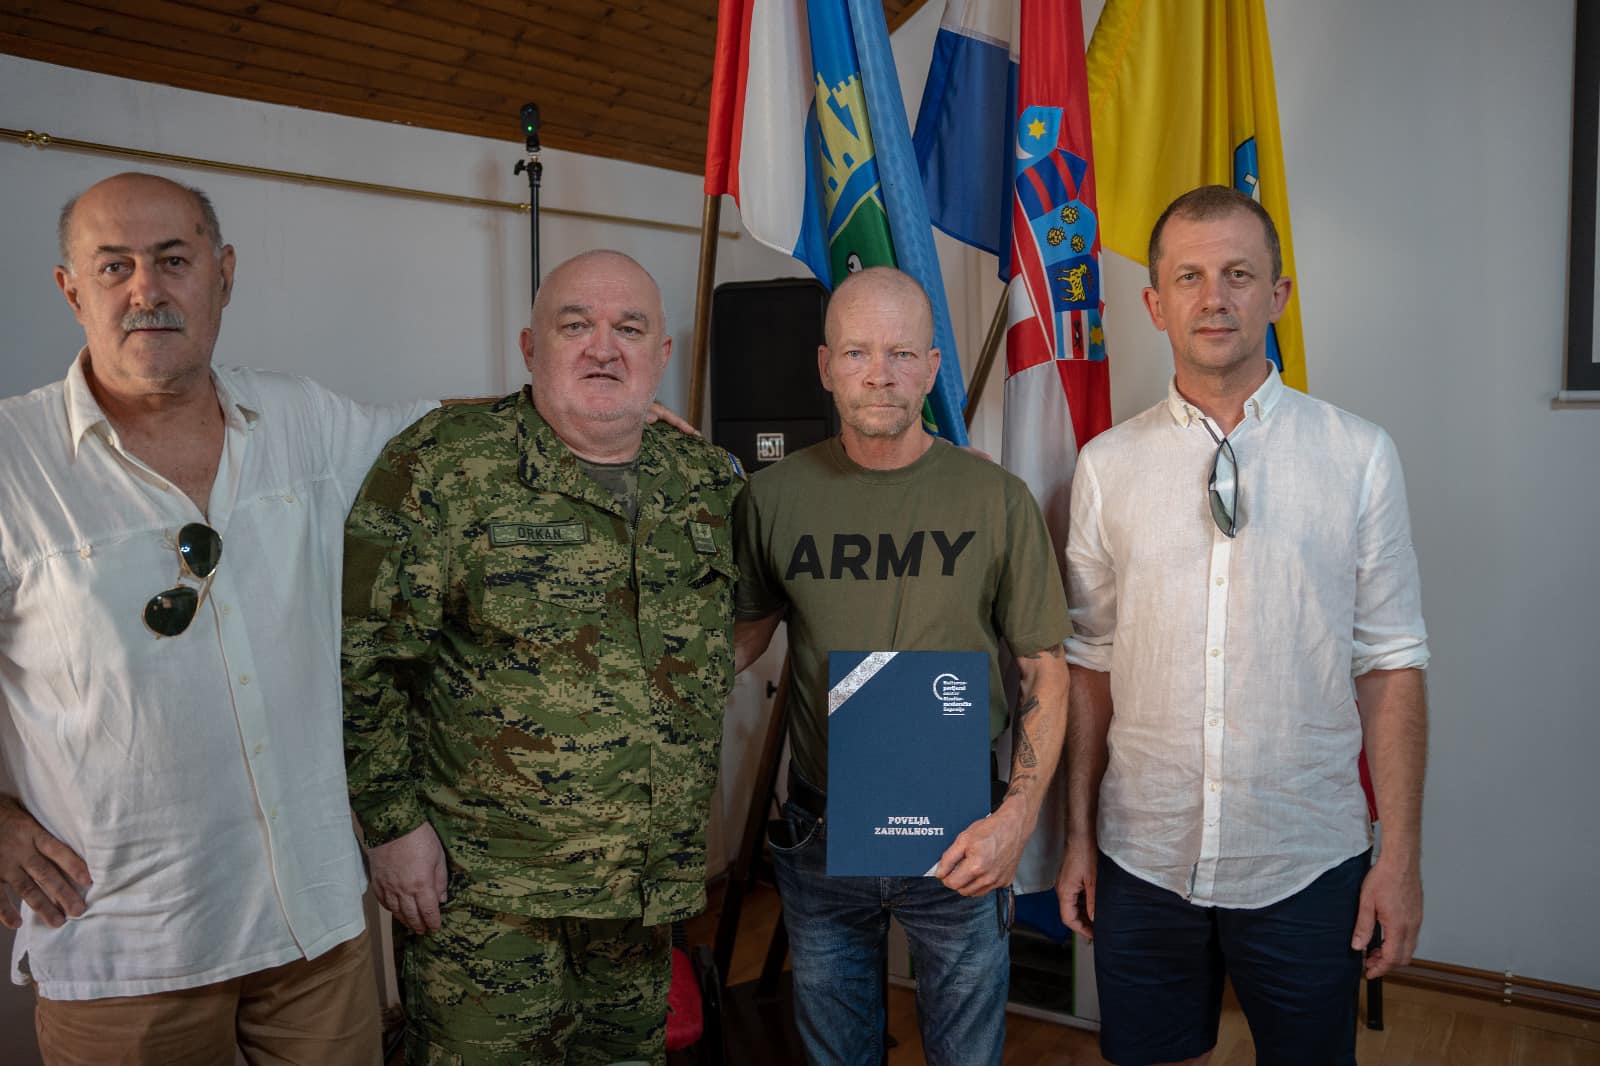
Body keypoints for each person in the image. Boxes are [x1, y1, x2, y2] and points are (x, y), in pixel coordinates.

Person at [0, 172, 439, 1064]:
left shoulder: (300, 419)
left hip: (315, 927)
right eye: (114, 266)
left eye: (174, 260)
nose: (146, 290)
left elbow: (436, 433)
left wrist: (580, 412)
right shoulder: (13, 459)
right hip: (128, 946)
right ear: (71, 289)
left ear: (224, 274)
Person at [1054, 184, 1429, 1066]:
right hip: (1143, 856)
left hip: (1306, 855)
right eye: (1188, 277)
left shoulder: (1359, 456)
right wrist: (1077, 837)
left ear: (1277, 295)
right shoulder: (1106, 467)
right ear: (1155, 303)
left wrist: (1401, 858)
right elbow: (1091, 661)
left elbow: (1392, 663)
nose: (1213, 297)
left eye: (1238, 274)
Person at [341, 250, 744, 1065]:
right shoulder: (444, 464)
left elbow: (744, 616)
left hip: (643, 893)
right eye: (575, 325)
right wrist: (391, 830)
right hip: (487, 897)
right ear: (530, 347)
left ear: (662, 354)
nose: (604, 348)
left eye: (630, 328)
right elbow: (366, 659)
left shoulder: (706, 481)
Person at [732, 266, 1072, 1066]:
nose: (879, 374)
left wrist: (1017, 819)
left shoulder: (997, 499)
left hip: (963, 829)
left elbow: (1046, 670)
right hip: (821, 832)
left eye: (901, 353)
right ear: (826, 366)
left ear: (931, 367)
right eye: (857, 352)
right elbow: (739, 643)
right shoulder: (773, 498)